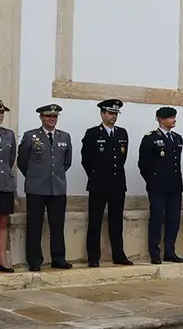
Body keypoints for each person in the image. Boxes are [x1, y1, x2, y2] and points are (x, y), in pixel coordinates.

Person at [17, 104, 74, 271]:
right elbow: (22, 162)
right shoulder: (31, 136)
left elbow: (67, 162)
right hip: (36, 188)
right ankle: (34, 260)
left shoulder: (64, 136)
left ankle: (58, 258)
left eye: (55, 116)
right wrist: (35, 176)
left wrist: (55, 176)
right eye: (48, 116)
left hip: (57, 187)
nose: (52, 119)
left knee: (57, 225)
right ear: (41, 117)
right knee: (35, 225)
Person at [80, 99, 132, 267]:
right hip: (98, 184)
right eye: (110, 113)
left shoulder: (122, 133)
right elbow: (86, 160)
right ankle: (93, 257)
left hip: (117, 184)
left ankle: (118, 254)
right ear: (102, 113)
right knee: (95, 221)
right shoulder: (92, 133)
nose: (113, 116)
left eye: (116, 114)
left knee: (116, 220)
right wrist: (96, 176)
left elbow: (122, 158)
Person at [138, 107, 183, 264]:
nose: (174, 120)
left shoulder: (177, 138)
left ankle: (170, 251)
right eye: (170, 117)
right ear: (160, 119)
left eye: (174, 117)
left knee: (173, 220)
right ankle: (154, 252)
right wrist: (152, 181)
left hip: (175, 186)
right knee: (157, 219)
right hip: (158, 186)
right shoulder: (150, 138)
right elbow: (143, 164)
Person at [0, 100, 14, 272]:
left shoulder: (9, 134)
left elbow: (10, 160)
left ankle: (2, 258)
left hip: (4, 184)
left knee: (3, 222)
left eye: (2, 113)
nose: (1, 116)